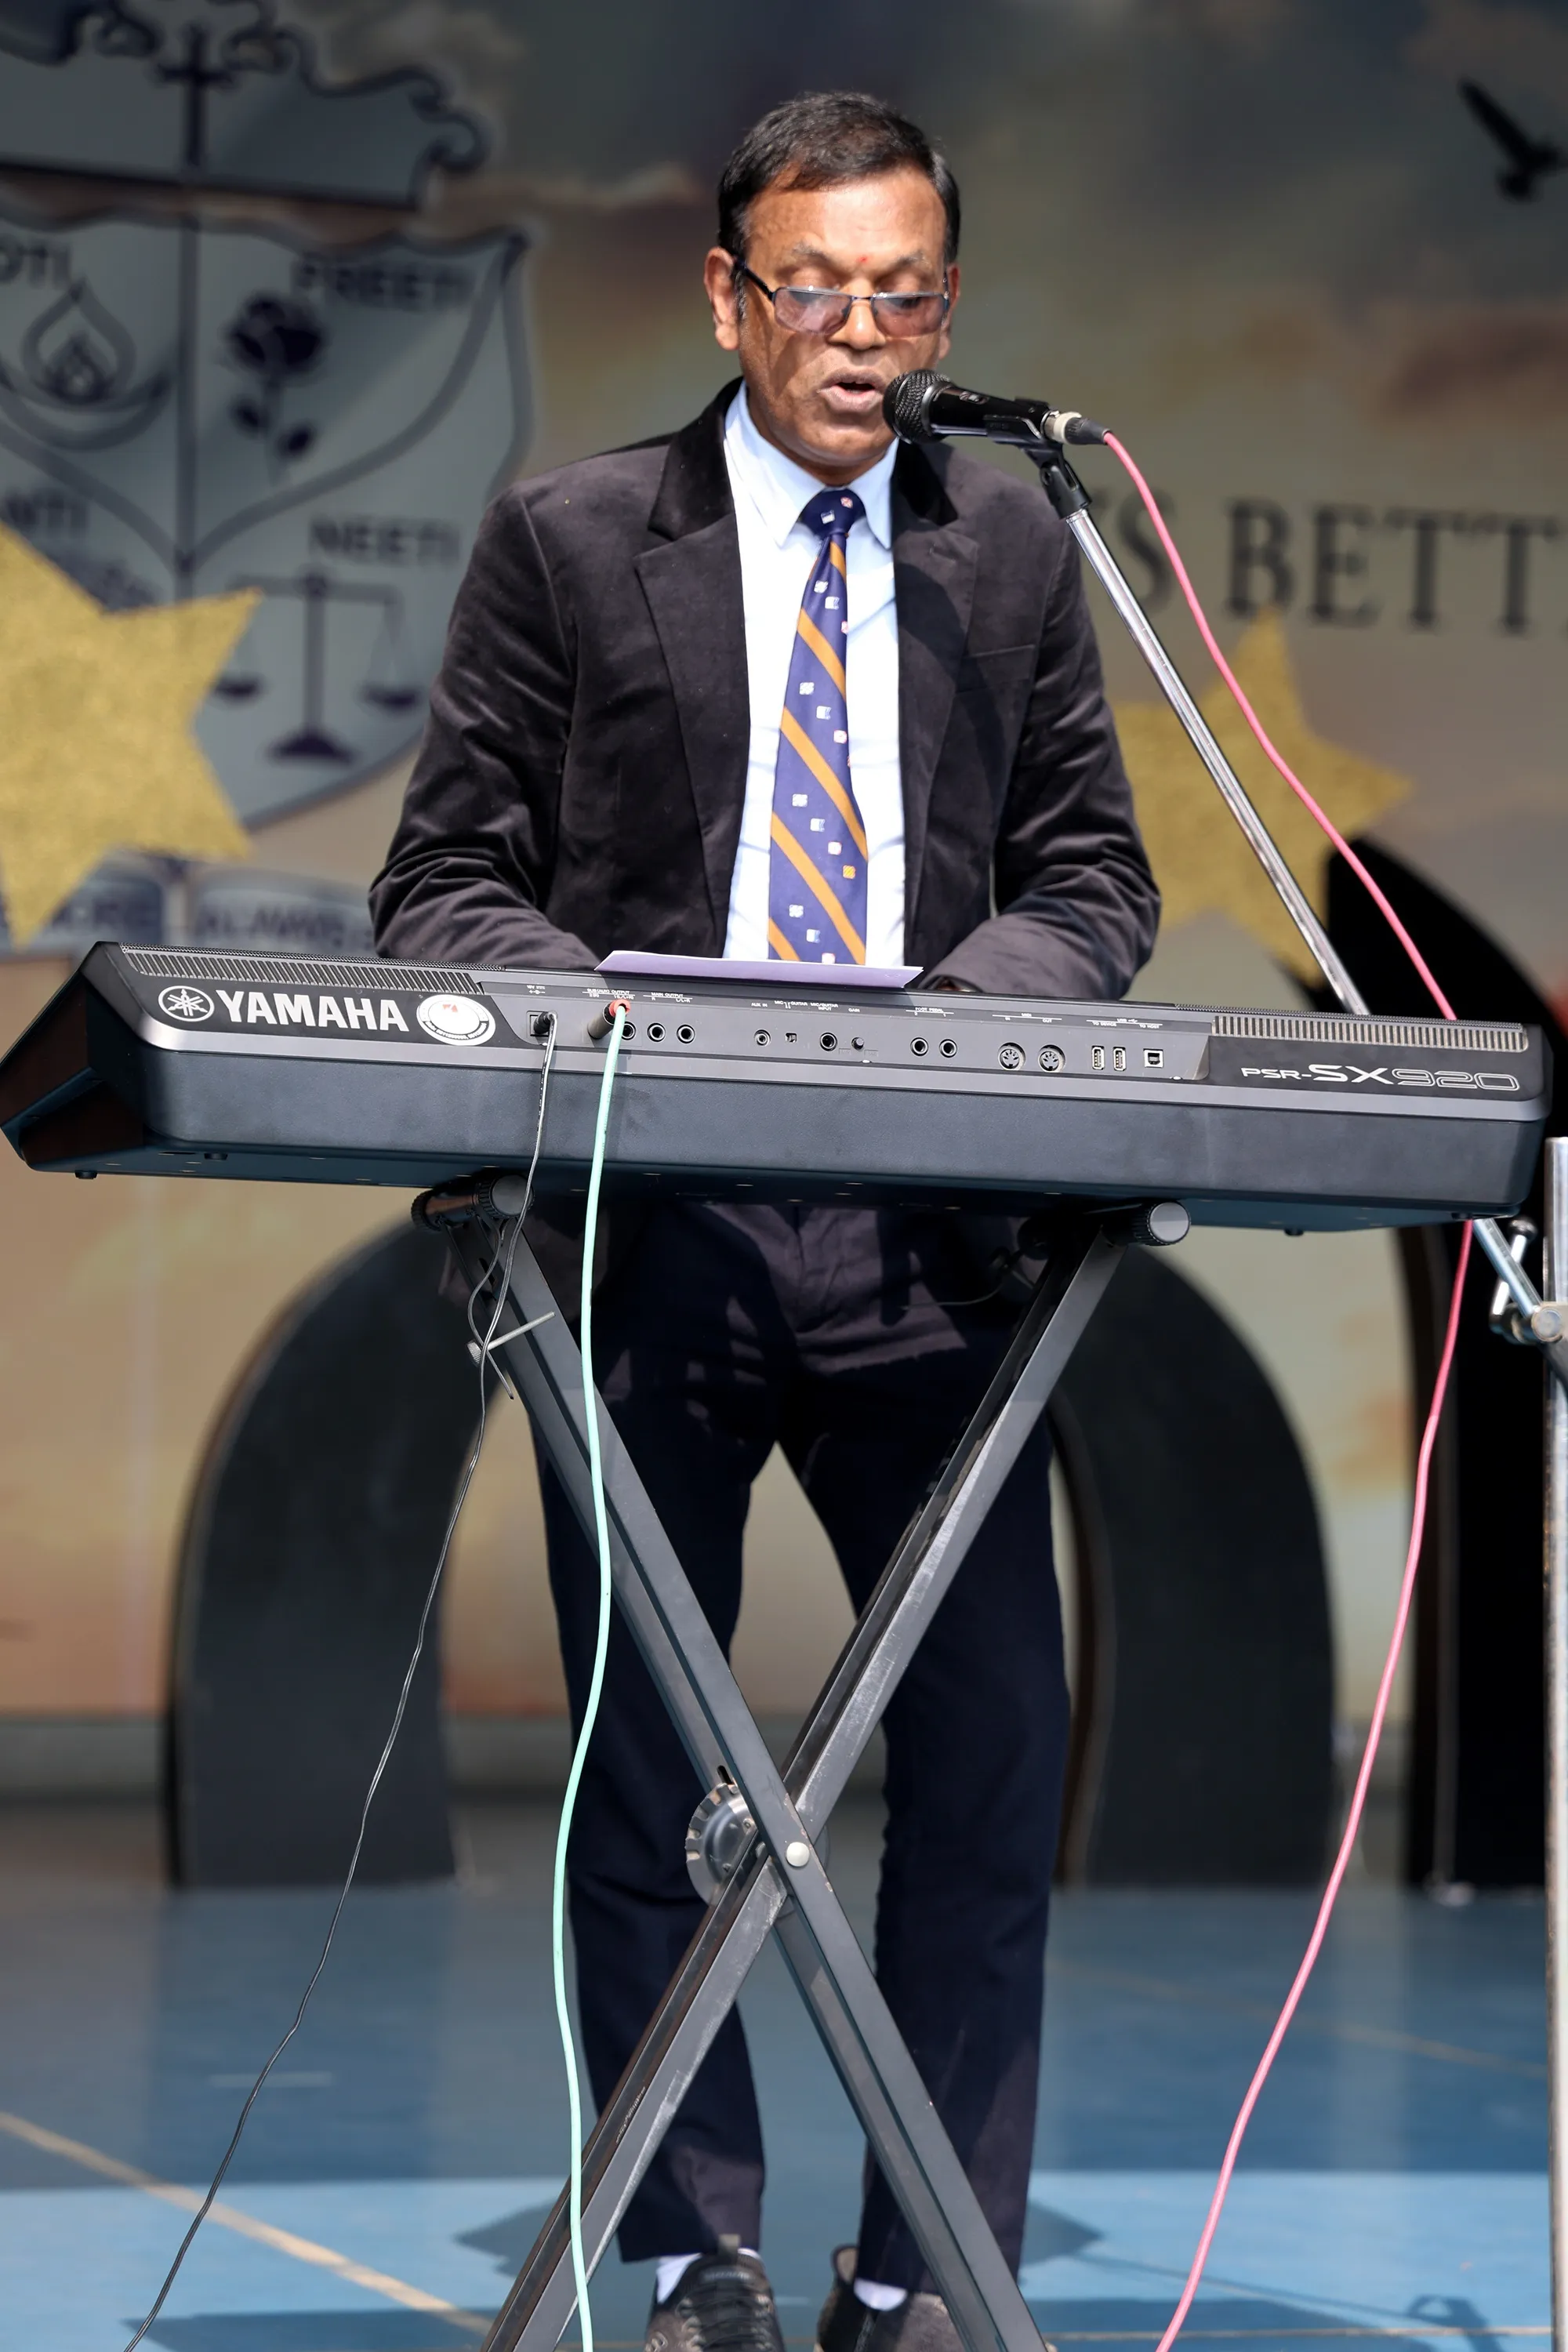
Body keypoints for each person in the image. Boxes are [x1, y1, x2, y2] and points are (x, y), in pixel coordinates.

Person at [372, 89, 1158, 2352]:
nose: (861, 332)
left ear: (947, 309)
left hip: (934, 1241)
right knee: (650, 1755)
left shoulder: (1011, 546)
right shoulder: (570, 535)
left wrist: (957, 1031)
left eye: (904, 292)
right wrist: (607, 1018)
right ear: (728, 297)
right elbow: (444, 879)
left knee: (991, 1744)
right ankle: (689, 2253)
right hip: (661, 1226)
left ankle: (923, 2267)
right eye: (816, 289)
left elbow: (1094, 879)